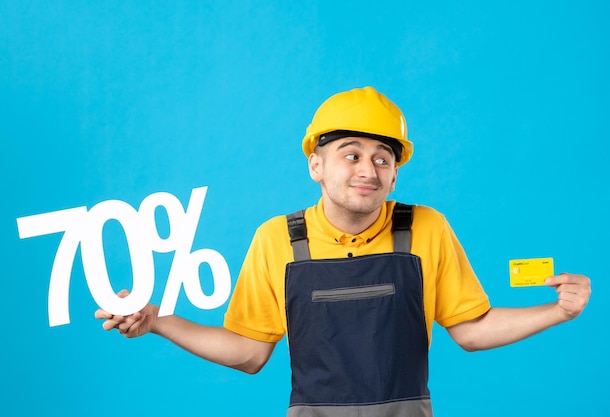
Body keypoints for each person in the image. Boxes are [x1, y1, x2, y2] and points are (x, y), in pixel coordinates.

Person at [96, 86, 591, 417]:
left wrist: (556, 312)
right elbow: (248, 353)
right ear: (316, 164)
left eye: (383, 158)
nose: (369, 170)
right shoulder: (277, 239)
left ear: (395, 172)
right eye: (351, 153)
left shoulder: (426, 228)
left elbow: (471, 330)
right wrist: (157, 321)